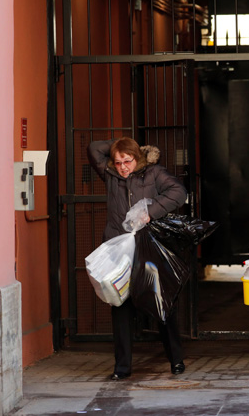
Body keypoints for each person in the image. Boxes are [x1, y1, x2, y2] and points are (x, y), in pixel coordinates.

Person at [88, 137, 188, 380]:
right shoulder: (110, 174)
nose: (123, 167)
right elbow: (93, 148)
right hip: (118, 248)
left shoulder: (153, 173)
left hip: (147, 246)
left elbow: (178, 192)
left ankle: (176, 359)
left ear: (138, 158)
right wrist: (120, 144)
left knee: (160, 300)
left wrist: (150, 213)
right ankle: (122, 368)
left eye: (128, 161)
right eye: (118, 161)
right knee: (120, 304)